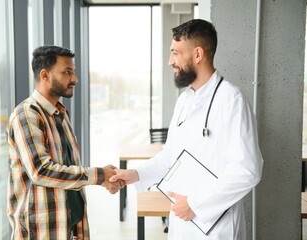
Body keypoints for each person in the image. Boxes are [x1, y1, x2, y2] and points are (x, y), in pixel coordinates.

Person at [110, 19, 264, 240]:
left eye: (175, 53)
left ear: (198, 55)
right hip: (182, 221)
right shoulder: (184, 101)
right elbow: (171, 156)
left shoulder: (231, 100)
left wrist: (195, 204)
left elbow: (248, 169)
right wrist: (136, 174)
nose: (169, 61)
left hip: (216, 227)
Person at [7, 46, 123, 240]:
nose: (74, 79)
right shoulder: (27, 115)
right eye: (67, 72)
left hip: (67, 227)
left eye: (73, 71)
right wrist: (100, 175)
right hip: (40, 233)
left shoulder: (60, 114)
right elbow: (40, 171)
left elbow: (67, 169)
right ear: (45, 75)